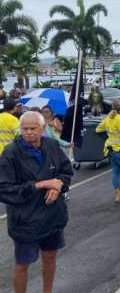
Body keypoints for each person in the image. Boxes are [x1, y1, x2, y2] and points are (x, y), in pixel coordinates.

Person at [0, 111, 73, 293]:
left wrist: (57, 187)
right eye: (25, 128)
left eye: (33, 128)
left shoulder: (52, 145)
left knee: (50, 257)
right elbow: (4, 190)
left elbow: (66, 172)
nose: (29, 132)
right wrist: (40, 184)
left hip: (52, 216)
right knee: (22, 264)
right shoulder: (10, 154)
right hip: (26, 221)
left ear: (43, 128)